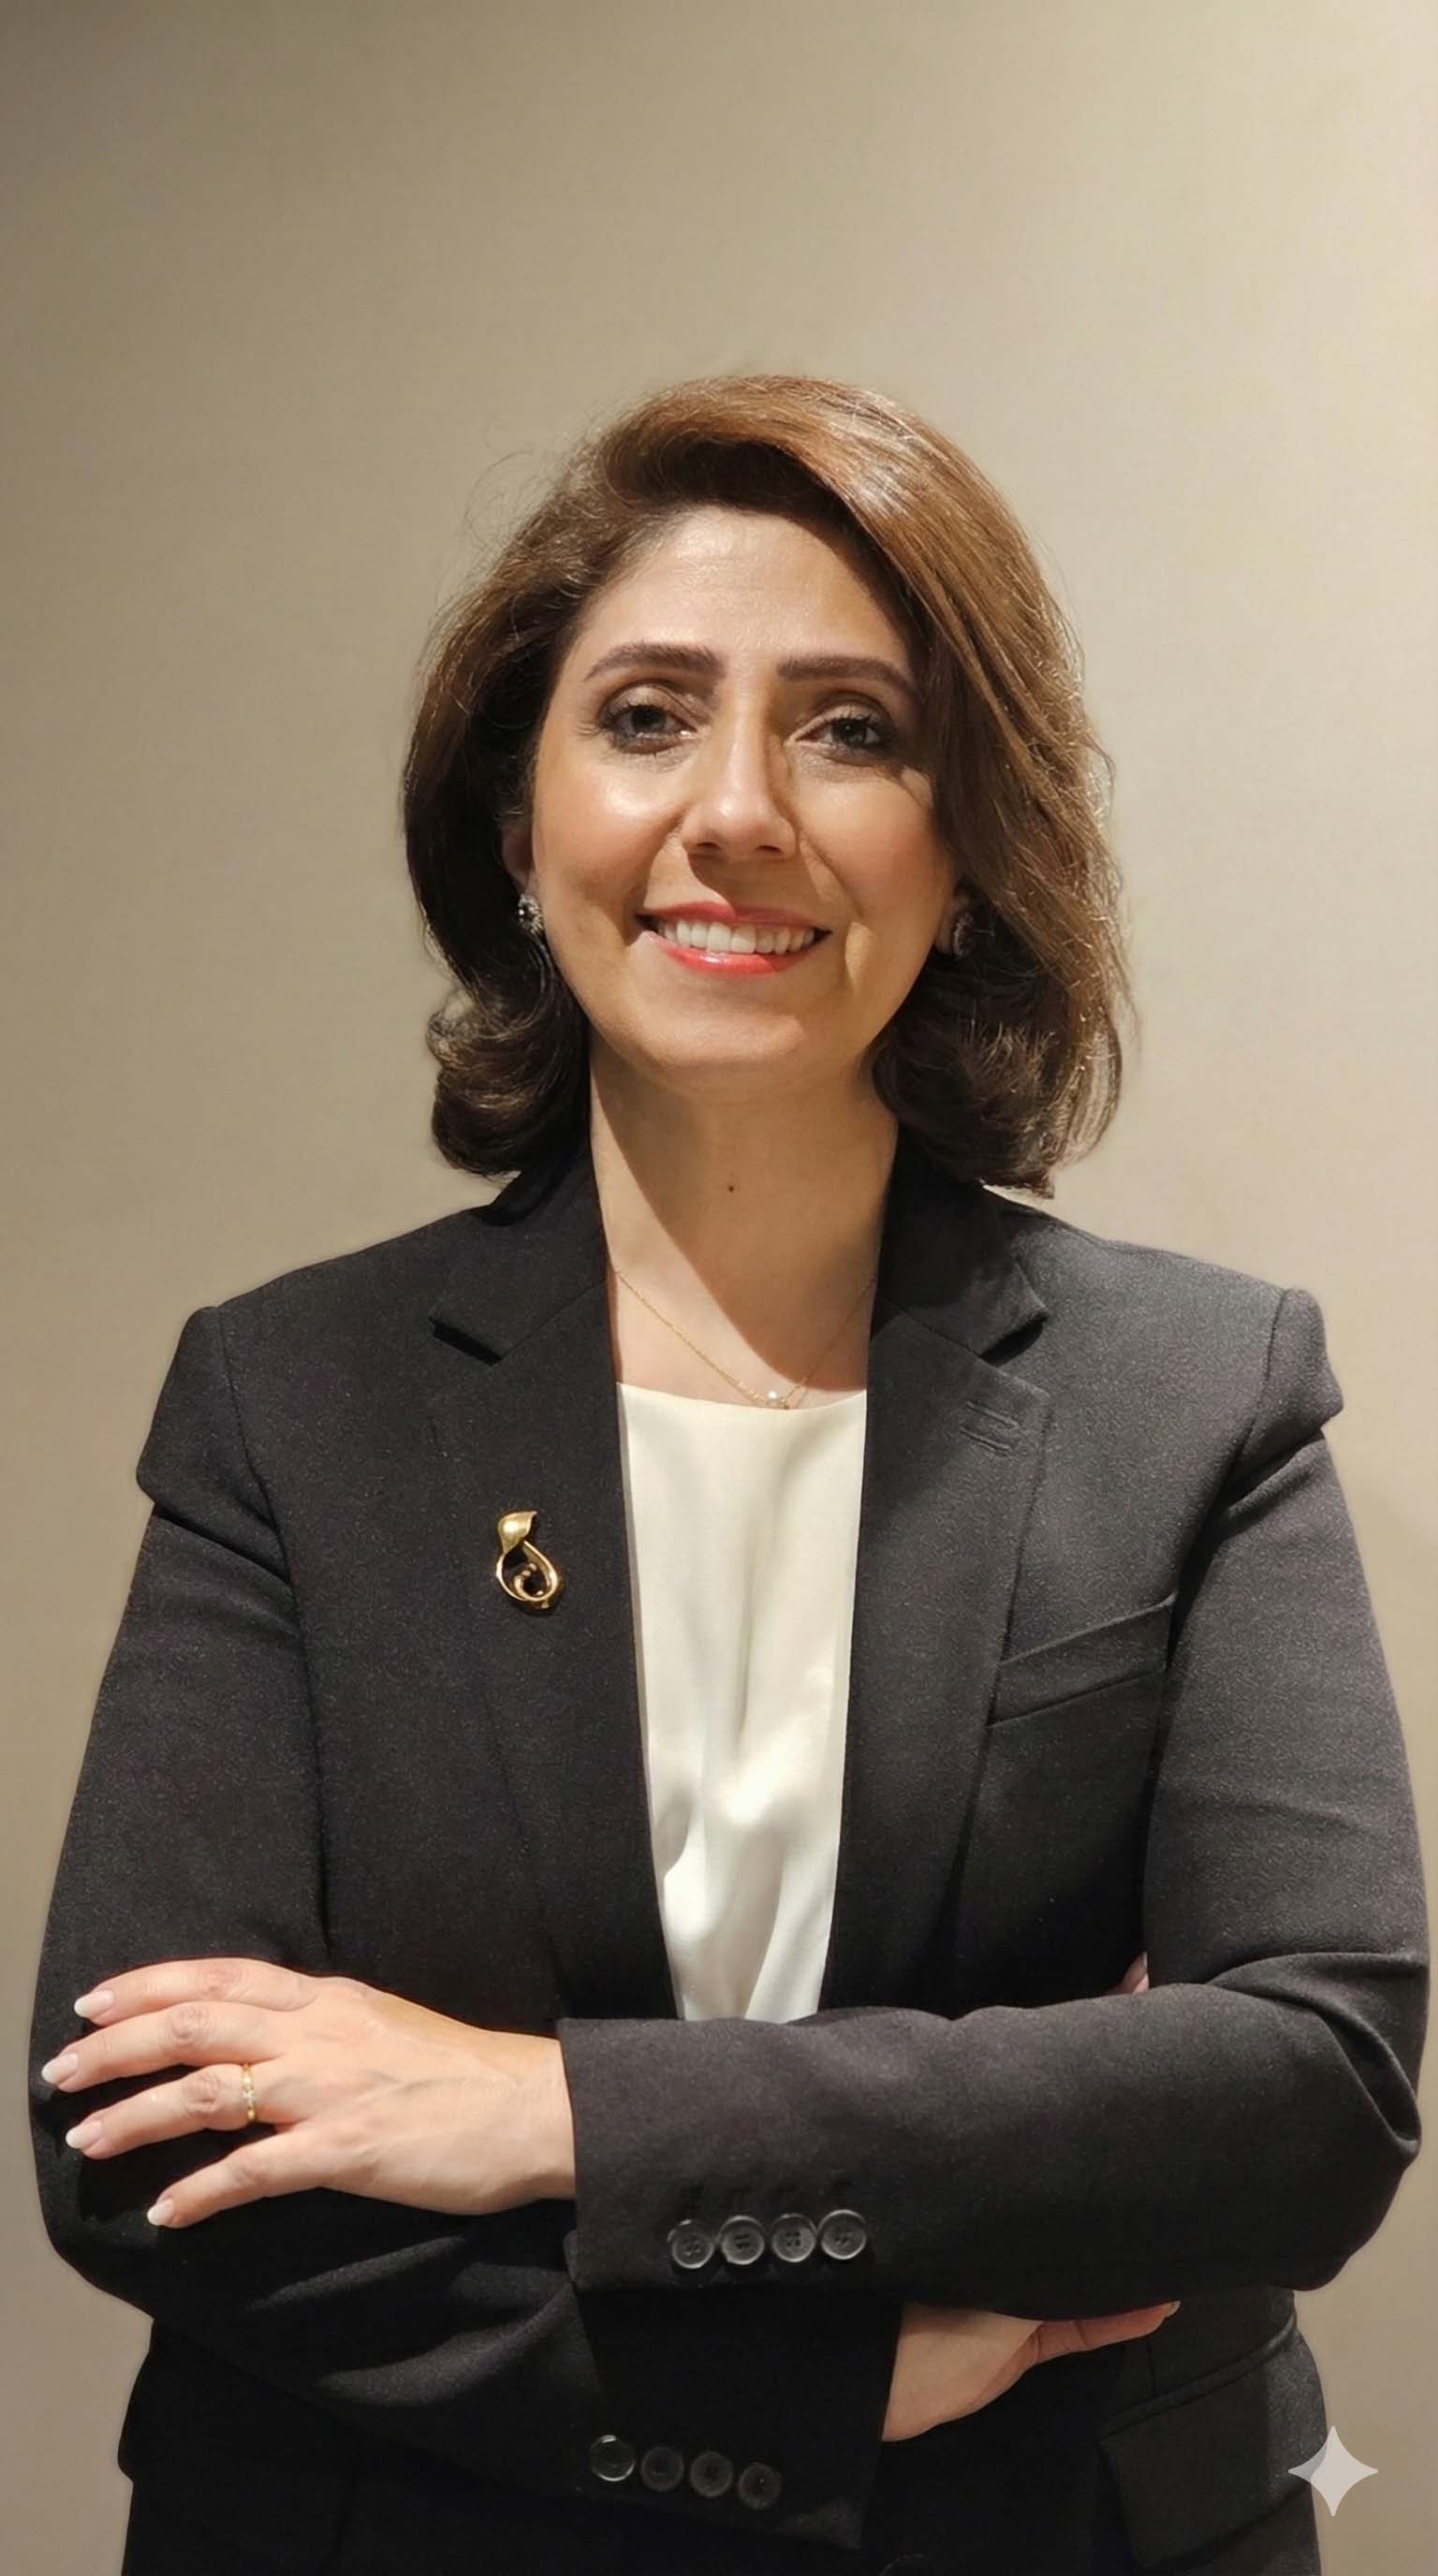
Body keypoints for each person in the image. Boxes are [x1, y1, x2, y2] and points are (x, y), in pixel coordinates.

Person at [29, 372, 1427, 2576]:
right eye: (648, 716)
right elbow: (147, 2133)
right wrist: (798, 2384)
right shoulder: (290, 1402)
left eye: (852, 730)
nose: (740, 810)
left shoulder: (1201, 1393)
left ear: (968, 846)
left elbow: (1308, 2088)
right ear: (521, 826)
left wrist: (549, 2105)